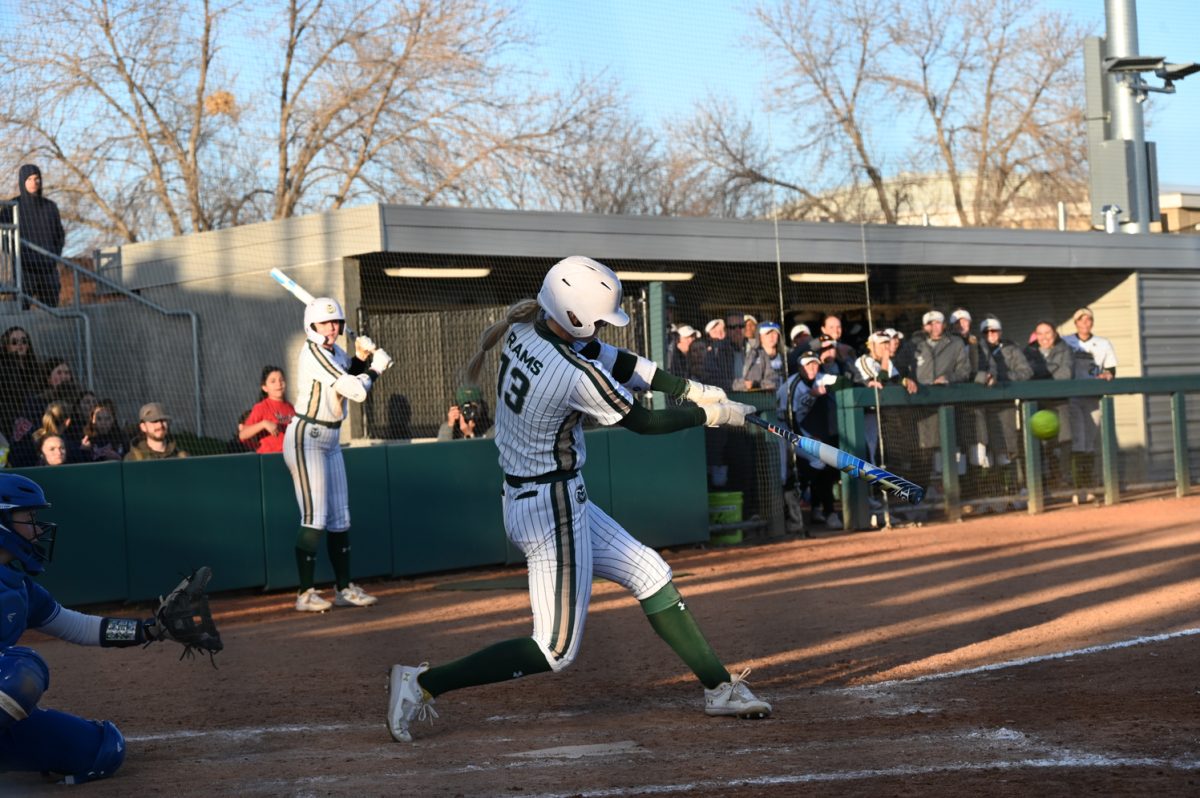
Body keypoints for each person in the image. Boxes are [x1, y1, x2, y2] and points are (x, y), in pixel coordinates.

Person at [386, 256, 770, 744]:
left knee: (650, 573)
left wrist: (688, 387)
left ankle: (718, 687)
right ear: (571, 314)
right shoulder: (571, 373)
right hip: (551, 508)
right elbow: (645, 422)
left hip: (549, 494)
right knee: (554, 650)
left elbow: (615, 358)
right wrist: (710, 416)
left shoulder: (528, 329)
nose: (598, 328)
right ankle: (421, 684)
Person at [0, 474, 160, 784]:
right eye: (29, 517)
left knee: (100, 749)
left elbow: (79, 627)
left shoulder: (18, 587)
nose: (37, 528)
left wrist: (148, 630)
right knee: (21, 670)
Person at [283, 296, 393, 612]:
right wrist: (375, 368)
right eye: (325, 323)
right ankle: (305, 593)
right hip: (307, 437)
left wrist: (360, 358)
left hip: (331, 438)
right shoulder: (313, 353)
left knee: (340, 517)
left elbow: (348, 372)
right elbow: (356, 390)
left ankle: (343, 589)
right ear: (312, 326)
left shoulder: (333, 352)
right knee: (315, 518)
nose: (332, 328)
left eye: (335, 322)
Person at [780, 351, 846, 530]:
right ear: (801, 367)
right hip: (782, 430)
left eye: (815, 364)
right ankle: (792, 503)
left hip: (802, 429)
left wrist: (824, 390)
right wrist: (806, 439)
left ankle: (807, 497)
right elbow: (789, 418)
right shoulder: (792, 385)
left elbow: (841, 381)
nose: (812, 368)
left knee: (821, 460)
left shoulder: (818, 377)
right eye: (808, 365)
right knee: (787, 472)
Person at [911, 310, 971, 495]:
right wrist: (908, 380)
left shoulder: (955, 343)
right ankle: (925, 493)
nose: (934, 326)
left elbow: (964, 371)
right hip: (921, 408)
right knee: (924, 452)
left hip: (949, 404)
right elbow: (902, 367)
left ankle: (955, 494)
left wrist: (948, 377)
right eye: (930, 323)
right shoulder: (914, 345)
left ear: (944, 325)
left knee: (952, 449)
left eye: (938, 323)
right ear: (924, 327)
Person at [972, 316, 1033, 494]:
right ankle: (989, 494)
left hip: (1004, 404)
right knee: (984, 453)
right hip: (981, 406)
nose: (991, 334)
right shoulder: (976, 349)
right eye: (987, 332)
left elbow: (1026, 372)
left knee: (1006, 449)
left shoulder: (1011, 348)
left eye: (994, 331)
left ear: (1000, 332)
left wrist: (1002, 379)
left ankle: (1011, 491)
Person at [1062, 308, 1117, 501]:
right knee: (1078, 441)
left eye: (1088, 320)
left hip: (1093, 396)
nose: (1085, 323)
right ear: (1075, 322)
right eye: (1081, 320)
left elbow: (1110, 369)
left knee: (1090, 442)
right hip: (1073, 396)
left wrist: (1108, 374)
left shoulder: (1103, 343)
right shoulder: (1066, 341)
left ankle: (1090, 486)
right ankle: (1078, 489)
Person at [0, 165, 65, 308]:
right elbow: (2, 235)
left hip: (48, 269)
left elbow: (59, 235)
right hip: (24, 269)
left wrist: (54, 256)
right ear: (22, 181)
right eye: (29, 179)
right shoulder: (12, 207)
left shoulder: (50, 207)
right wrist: (17, 253)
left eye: (37, 179)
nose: (33, 182)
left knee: (51, 311)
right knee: (21, 311)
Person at [1025, 321, 1074, 488]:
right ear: (1036, 335)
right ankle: (1041, 481)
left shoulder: (1065, 348)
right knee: (1040, 443)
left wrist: (1042, 371)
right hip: (1037, 403)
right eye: (1040, 333)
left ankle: (1064, 478)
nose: (1044, 337)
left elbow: (1066, 374)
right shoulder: (1029, 351)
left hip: (1060, 401)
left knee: (1065, 440)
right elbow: (1027, 373)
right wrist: (1051, 369)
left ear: (1054, 333)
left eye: (1048, 333)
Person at [239, 366, 296, 454]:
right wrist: (263, 424)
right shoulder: (261, 407)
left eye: (281, 380)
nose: (279, 384)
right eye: (273, 381)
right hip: (270, 458)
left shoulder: (290, 407)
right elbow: (243, 435)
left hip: (291, 456)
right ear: (265, 387)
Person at [0, 327, 40, 445]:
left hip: (30, 416)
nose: (20, 345)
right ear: (6, 346)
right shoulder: (4, 369)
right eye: (14, 342)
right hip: (9, 420)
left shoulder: (34, 368)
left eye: (24, 341)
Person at [124, 402, 189, 461]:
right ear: (143, 427)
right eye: (154, 421)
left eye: (163, 420)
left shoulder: (181, 457)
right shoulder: (132, 459)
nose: (160, 425)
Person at [741, 321, 786, 391]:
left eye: (774, 333)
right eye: (767, 333)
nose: (771, 336)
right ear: (760, 336)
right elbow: (751, 383)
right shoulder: (754, 357)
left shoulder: (785, 357)